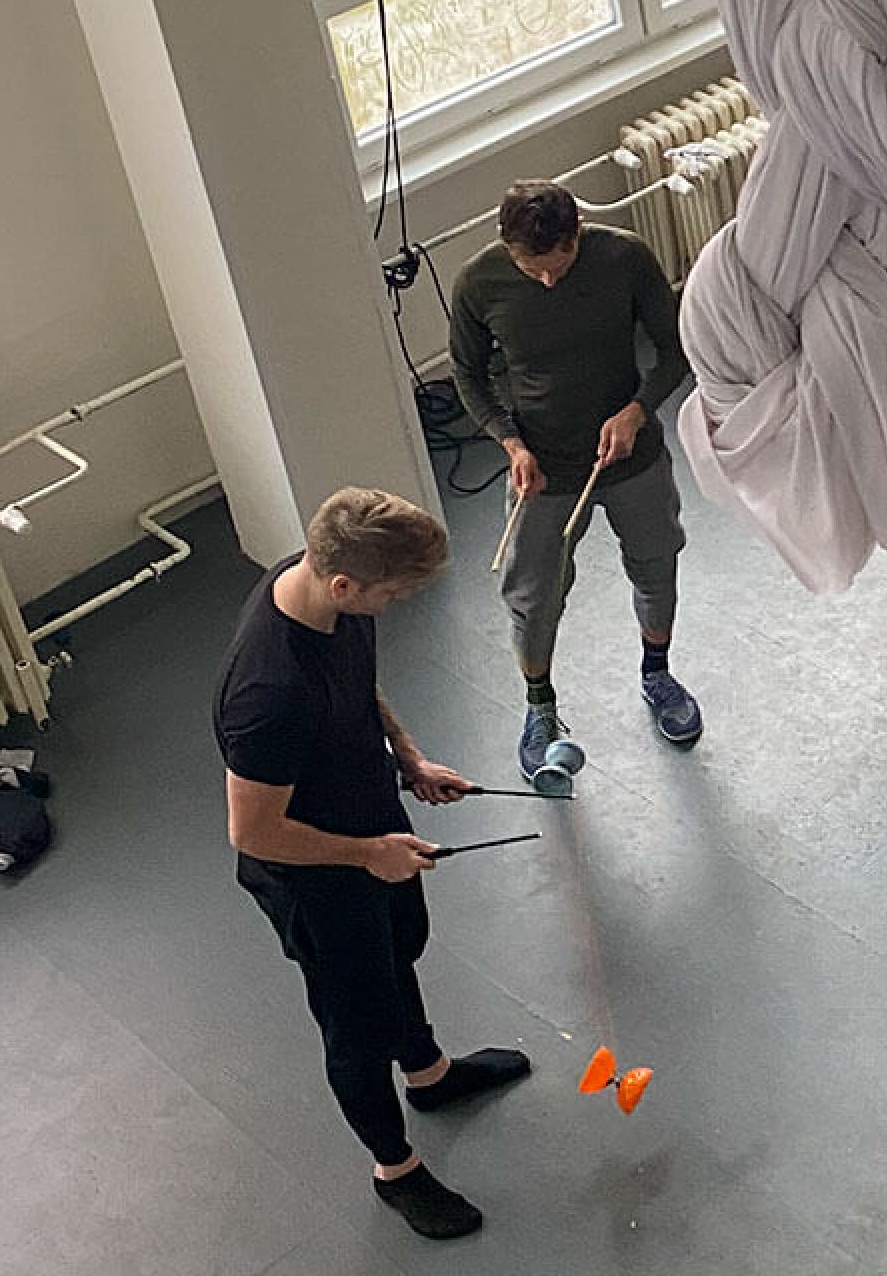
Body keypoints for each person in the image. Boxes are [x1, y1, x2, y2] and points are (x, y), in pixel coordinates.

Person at [215, 489, 533, 1240]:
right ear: (344, 584)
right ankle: (395, 1168)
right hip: (315, 875)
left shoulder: (322, 594)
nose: (398, 605)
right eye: (393, 594)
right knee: (355, 1025)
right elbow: (251, 832)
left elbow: (357, 683)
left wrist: (408, 758)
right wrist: (368, 855)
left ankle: (428, 1074)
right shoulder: (267, 695)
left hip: (372, 829)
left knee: (398, 956)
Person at [449, 179, 702, 779]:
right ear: (506, 245)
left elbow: (675, 349)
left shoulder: (625, 257)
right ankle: (539, 707)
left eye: (557, 266)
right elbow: (468, 373)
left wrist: (636, 411)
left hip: (632, 457)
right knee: (532, 597)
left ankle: (657, 673)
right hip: (543, 469)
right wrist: (510, 442)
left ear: (577, 233)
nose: (545, 280)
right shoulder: (479, 282)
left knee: (656, 564)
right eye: (530, 268)